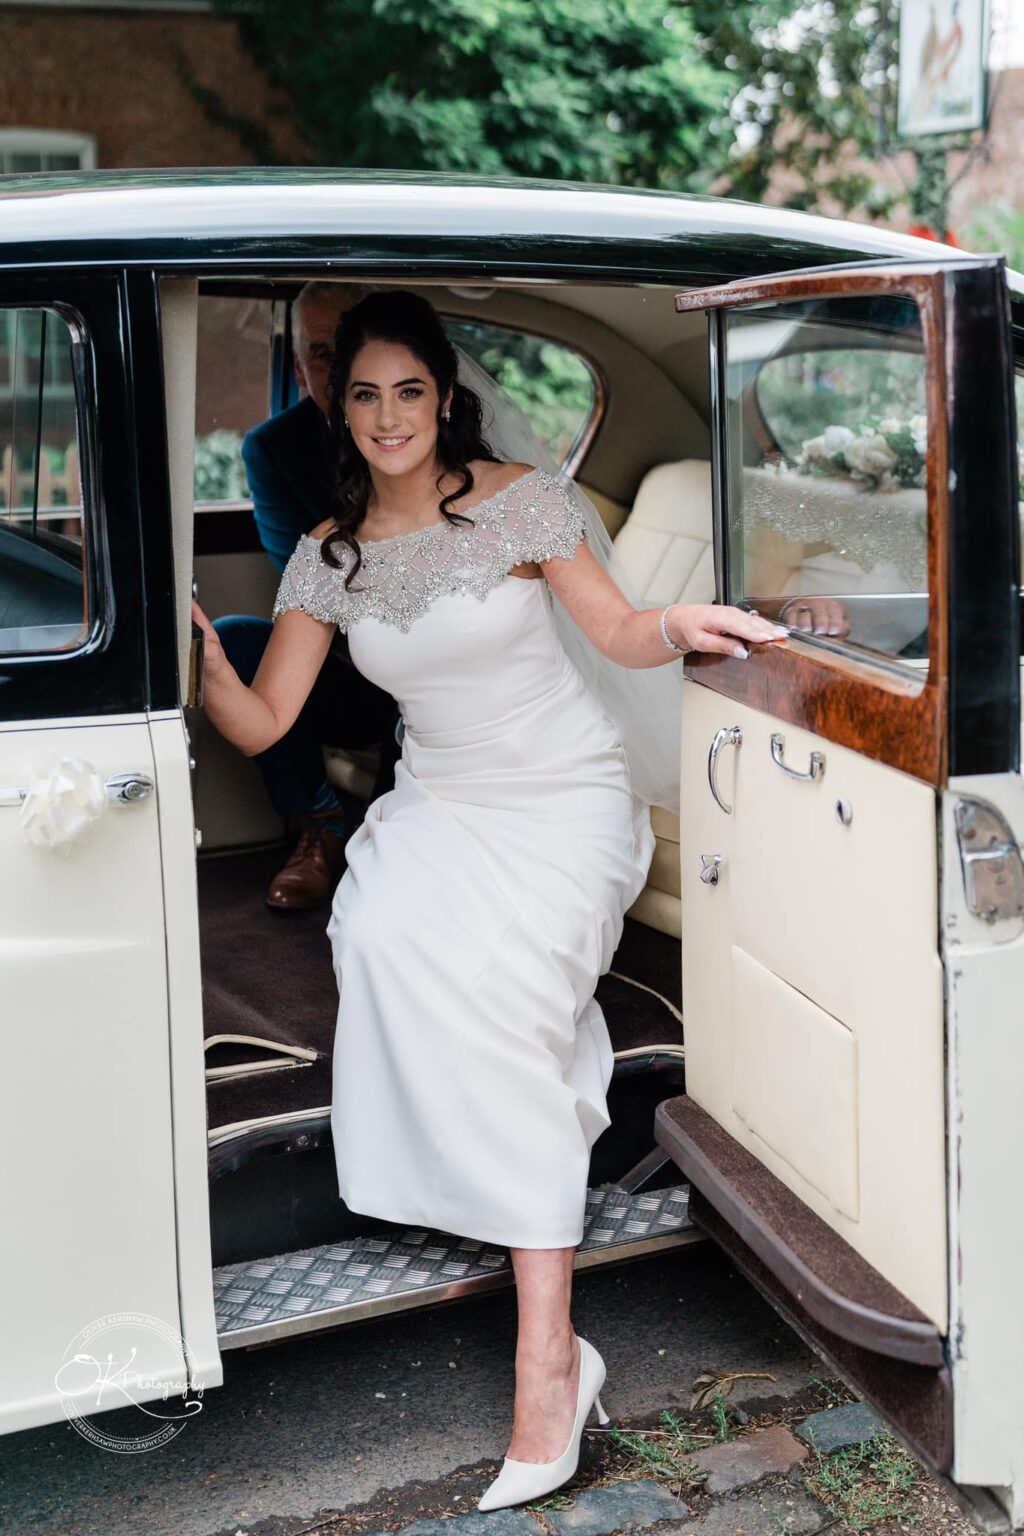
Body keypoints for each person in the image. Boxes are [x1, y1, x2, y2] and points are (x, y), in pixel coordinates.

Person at [191, 291, 788, 1510]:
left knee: (507, 986)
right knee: (388, 933)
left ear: (443, 396)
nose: (387, 416)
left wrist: (682, 620)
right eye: (363, 394)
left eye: (409, 391)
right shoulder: (329, 553)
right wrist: (195, 651)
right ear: (333, 405)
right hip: (441, 802)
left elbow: (618, 631)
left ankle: (547, 1363)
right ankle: (506, 1228)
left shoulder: (521, 500)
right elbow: (261, 721)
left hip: (563, 796)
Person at [214, 280, 402, 910]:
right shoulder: (274, 448)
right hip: (347, 658)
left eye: (354, 347)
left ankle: (394, 839)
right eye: (323, 353)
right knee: (237, 638)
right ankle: (321, 822)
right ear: (298, 369)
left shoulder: (443, 434)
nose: (343, 369)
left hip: (450, 652)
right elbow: (307, 576)